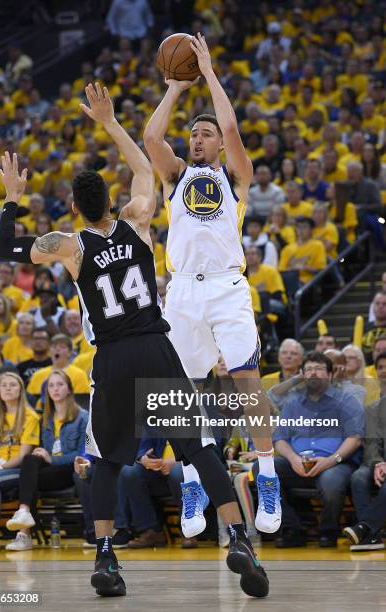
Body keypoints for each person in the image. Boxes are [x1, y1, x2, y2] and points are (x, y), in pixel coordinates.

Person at [0, 85, 269, 599]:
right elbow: (144, 164)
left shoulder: (69, 247)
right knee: (200, 449)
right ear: (114, 201)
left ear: (74, 206)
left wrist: (12, 200)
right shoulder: (139, 219)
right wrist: (109, 122)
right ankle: (237, 536)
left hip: (114, 360)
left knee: (105, 461)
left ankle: (105, 555)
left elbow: (3, 247)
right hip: (157, 348)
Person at [144, 33, 281, 538]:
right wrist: (177, 87)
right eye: (194, 133)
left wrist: (208, 70)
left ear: (220, 145)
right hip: (181, 290)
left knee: (247, 381)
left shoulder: (236, 177)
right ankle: (196, 477)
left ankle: (267, 476)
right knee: (188, 389)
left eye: (206, 134)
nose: (198, 137)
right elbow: (153, 140)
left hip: (226, 287)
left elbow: (229, 122)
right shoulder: (176, 176)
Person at [255, 352, 364, 548]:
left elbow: (355, 438)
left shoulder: (346, 401)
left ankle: (328, 530)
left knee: (331, 481)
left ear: (330, 374)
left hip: (335, 463)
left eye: (319, 369)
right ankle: (292, 529)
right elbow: (280, 438)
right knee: (262, 468)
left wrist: (331, 460)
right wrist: (292, 458)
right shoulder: (293, 403)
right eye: (309, 370)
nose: (313, 374)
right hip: (297, 464)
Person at [6, 370, 88, 550]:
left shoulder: (82, 417)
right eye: (51, 386)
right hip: (48, 471)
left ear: (69, 389)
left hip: (68, 469)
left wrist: (51, 459)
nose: (55, 389)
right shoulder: (45, 420)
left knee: (27, 478)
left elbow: (82, 454)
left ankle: (24, 532)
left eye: (60, 384)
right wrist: (43, 456)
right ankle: (24, 512)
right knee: (30, 462)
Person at [0, 373, 39, 551]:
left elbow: (24, 455)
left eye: (13, 385)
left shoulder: (30, 417)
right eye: (4, 385)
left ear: (21, 390)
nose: (8, 388)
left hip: (17, 470)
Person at [343, 352, 386, 551]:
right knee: (359, 477)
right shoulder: (372, 408)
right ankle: (372, 536)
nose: (384, 371)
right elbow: (371, 443)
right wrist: (378, 463)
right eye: (381, 367)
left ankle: (365, 529)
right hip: (378, 461)